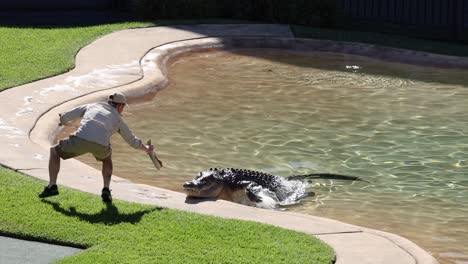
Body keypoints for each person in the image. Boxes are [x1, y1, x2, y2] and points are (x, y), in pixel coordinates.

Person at [39, 92, 154, 203]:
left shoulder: (92, 106)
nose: (122, 110)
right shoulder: (118, 120)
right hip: (101, 145)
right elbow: (132, 141)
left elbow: (66, 116)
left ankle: (52, 186)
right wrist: (147, 149)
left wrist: (63, 121)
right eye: (123, 107)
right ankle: (106, 189)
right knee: (107, 158)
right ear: (119, 106)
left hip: (81, 139)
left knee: (55, 151)